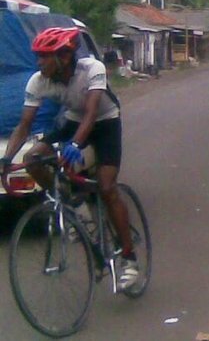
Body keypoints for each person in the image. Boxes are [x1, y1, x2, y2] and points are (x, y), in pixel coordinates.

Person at [0, 27, 139, 291]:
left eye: (44, 56)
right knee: (34, 157)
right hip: (74, 121)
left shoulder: (92, 69)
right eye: (37, 56)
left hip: (105, 122)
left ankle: (130, 259)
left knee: (107, 187)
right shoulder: (38, 81)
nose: (38, 62)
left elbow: (91, 112)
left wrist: (75, 144)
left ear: (64, 57)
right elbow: (24, 125)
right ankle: (73, 204)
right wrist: (6, 161)